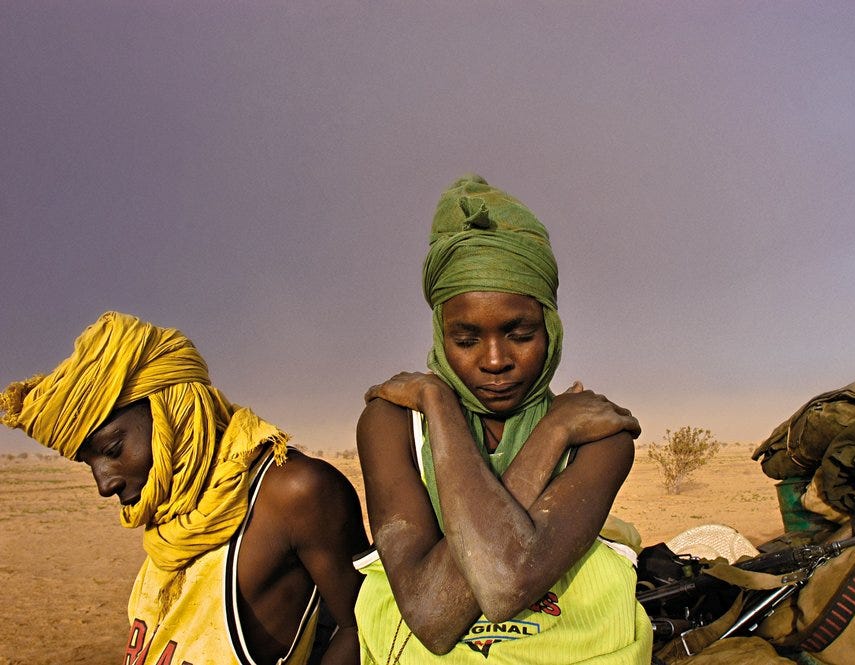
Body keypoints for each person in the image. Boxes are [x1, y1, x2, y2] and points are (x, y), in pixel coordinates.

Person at [354, 175, 654, 663]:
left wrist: (554, 428)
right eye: (466, 340)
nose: (495, 361)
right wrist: (442, 404)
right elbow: (431, 617)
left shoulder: (600, 436)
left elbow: (505, 584)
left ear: (550, 329)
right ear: (440, 336)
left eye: (520, 334)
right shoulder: (393, 425)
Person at [0, 312, 369, 665]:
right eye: (89, 462)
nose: (104, 483)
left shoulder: (294, 494)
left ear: (171, 410)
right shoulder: (177, 511)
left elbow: (365, 632)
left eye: (112, 450)